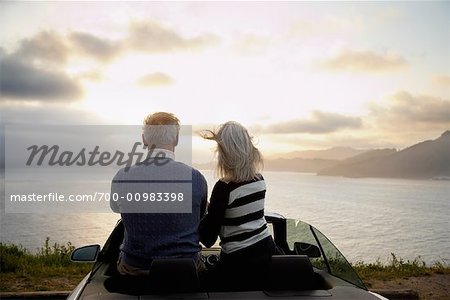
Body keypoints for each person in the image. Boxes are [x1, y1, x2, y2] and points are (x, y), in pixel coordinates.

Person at [111, 112, 208, 275]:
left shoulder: (123, 176)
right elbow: (200, 216)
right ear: (176, 140)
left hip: (136, 268)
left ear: (144, 139)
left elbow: (116, 208)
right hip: (186, 269)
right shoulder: (196, 178)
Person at [199, 121, 276, 287]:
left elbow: (208, 239)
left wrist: (203, 209)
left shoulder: (224, 187)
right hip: (267, 252)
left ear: (225, 152)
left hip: (239, 262)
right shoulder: (259, 180)